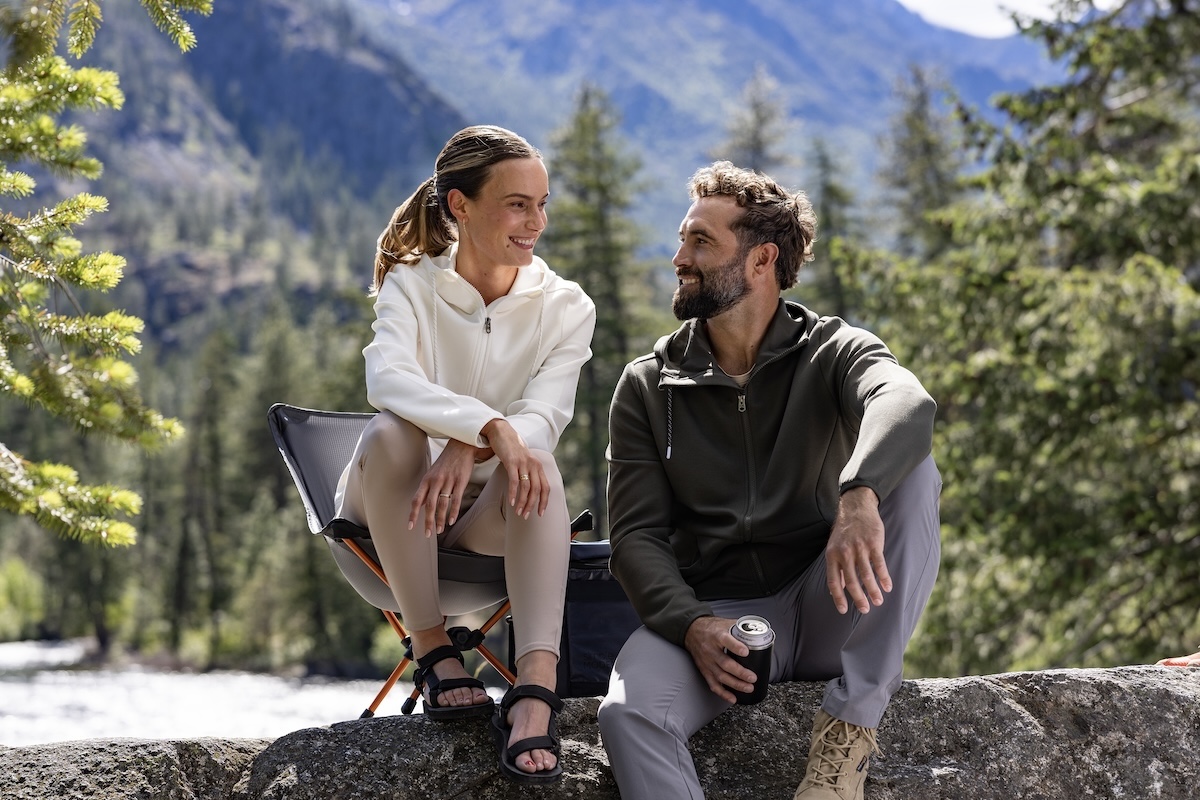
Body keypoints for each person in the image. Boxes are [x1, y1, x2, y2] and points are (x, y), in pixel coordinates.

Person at [598, 161, 942, 800]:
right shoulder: (648, 385)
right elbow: (636, 538)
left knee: (913, 473)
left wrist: (859, 494)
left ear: (761, 262)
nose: (680, 257)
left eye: (702, 242)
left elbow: (908, 403)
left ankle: (846, 741)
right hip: (717, 623)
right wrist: (691, 624)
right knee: (628, 714)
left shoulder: (831, 349)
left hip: (830, 604)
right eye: (682, 238)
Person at [334, 125, 595, 784]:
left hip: (482, 545)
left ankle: (536, 686)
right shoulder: (411, 284)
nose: (536, 221)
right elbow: (389, 379)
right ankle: (430, 644)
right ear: (460, 206)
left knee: (535, 463)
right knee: (393, 433)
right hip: (386, 542)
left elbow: (548, 414)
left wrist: (471, 440)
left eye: (542, 203)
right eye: (516, 203)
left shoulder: (565, 307)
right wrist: (487, 427)